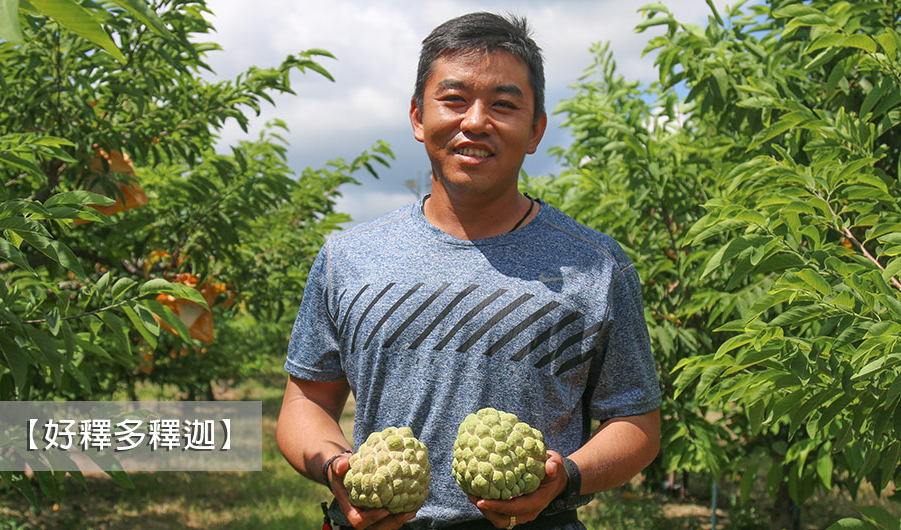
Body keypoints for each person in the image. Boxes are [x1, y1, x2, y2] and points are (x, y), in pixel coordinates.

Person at [277, 12, 661, 530]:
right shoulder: (349, 257)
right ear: (417, 116)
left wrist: (566, 477)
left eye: (504, 104)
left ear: (535, 130)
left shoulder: (597, 267)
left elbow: (637, 420)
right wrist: (336, 468)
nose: (476, 121)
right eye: (454, 99)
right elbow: (306, 401)